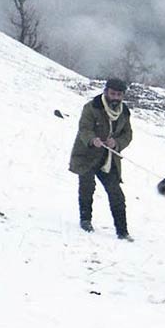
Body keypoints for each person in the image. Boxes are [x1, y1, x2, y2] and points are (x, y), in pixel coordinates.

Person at [68, 77, 134, 241]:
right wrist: (92, 139)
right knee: (87, 188)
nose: (116, 97)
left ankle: (122, 231)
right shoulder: (91, 107)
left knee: (116, 194)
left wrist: (117, 143)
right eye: (113, 93)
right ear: (105, 92)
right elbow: (84, 128)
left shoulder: (124, 112)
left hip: (109, 159)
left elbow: (128, 134)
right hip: (87, 156)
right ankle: (85, 220)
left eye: (119, 95)